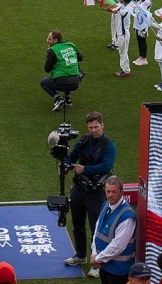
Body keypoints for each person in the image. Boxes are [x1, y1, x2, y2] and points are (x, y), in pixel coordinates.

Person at [64, 111, 117, 269]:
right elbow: (72, 155)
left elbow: (106, 166)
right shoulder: (85, 140)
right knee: (77, 223)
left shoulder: (109, 145)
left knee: (97, 228)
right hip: (80, 188)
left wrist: (84, 169)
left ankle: (97, 262)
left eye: (96, 127)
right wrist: (67, 165)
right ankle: (80, 255)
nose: (93, 130)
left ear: (102, 125)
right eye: (90, 127)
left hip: (97, 192)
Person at [89, 176, 136, 284]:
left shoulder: (127, 216)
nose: (110, 195)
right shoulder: (106, 204)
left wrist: (97, 259)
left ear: (121, 192)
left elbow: (118, 245)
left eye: (114, 192)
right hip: (104, 265)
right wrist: (95, 253)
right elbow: (97, 230)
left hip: (118, 270)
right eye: (108, 191)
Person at [41, 30, 83, 110]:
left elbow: (47, 69)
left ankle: (58, 99)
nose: (47, 41)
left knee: (44, 82)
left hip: (62, 81)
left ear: (55, 40)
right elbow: (81, 58)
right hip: (75, 82)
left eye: (49, 39)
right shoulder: (71, 45)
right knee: (71, 72)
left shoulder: (52, 50)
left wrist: (50, 56)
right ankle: (68, 99)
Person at [132, 0, 152, 67]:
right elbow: (132, 0)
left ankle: (144, 58)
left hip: (143, 23)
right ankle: (140, 57)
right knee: (139, 40)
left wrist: (133, 5)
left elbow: (140, 8)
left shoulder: (148, 0)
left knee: (142, 41)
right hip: (137, 21)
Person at [113, 0, 132, 78]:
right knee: (122, 52)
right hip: (121, 34)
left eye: (121, 1)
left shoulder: (125, 10)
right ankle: (124, 69)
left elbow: (113, 9)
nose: (120, 2)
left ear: (125, 2)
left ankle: (126, 71)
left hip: (123, 35)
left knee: (123, 53)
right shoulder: (124, 8)